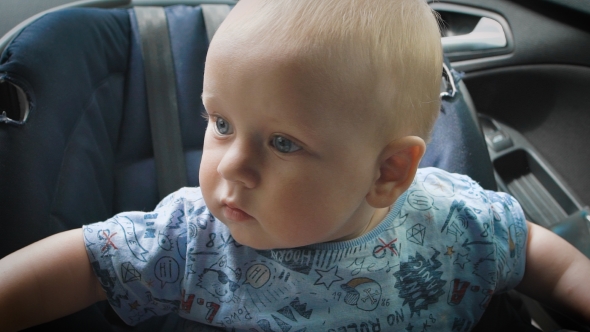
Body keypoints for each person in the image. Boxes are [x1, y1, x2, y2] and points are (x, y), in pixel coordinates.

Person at [1, 0, 590, 330]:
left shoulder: (453, 220)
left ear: (388, 172)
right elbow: (84, 261)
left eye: (283, 144)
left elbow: (529, 249)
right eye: (221, 124)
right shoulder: (193, 239)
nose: (233, 167)